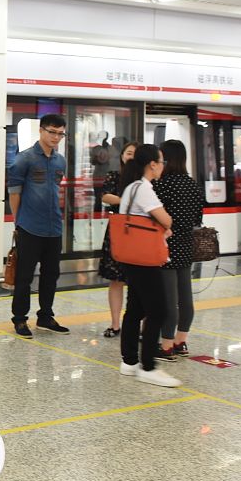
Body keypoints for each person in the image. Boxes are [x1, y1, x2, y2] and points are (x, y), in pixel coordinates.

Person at [117, 143, 181, 388]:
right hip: (145, 260)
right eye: (161, 161)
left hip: (131, 257)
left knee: (134, 309)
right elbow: (165, 219)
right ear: (152, 164)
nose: (162, 166)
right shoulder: (144, 189)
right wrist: (166, 224)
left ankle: (129, 361)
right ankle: (148, 366)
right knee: (158, 310)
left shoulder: (131, 188)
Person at [7, 113, 70, 337]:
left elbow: (55, 189)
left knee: (51, 274)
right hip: (29, 227)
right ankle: (20, 319)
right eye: (52, 132)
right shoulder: (24, 159)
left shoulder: (60, 160)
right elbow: (14, 193)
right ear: (42, 131)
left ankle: (45, 316)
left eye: (60, 133)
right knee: (24, 276)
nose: (56, 137)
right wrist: (19, 221)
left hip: (54, 227)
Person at [153, 140, 203, 361]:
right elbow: (197, 219)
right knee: (185, 297)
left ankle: (165, 347)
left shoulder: (162, 185)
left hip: (165, 245)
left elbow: (154, 216)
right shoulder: (193, 184)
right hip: (186, 244)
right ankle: (181, 341)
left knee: (167, 298)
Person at [98, 141, 137, 338]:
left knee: (139, 283)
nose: (131, 156)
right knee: (116, 280)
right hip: (117, 229)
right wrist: (126, 201)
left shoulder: (146, 180)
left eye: (135, 154)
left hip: (140, 232)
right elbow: (105, 197)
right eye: (128, 153)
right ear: (122, 155)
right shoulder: (115, 175)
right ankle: (115, 324)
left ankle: (137, 325)